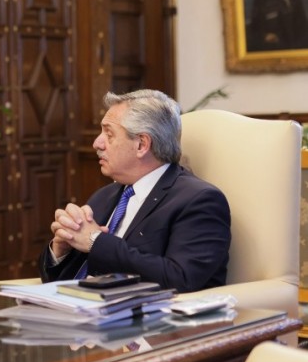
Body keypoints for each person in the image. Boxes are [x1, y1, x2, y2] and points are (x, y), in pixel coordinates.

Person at [39, 90, 231, 293]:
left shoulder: (199, 200)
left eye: (109, 134)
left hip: (145, 320)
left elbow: (180, 278)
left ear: (142, 144)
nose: (97, 143)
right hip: (74, 312)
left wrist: (95, 241)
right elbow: (62, 280)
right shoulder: (104, 196)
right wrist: (61, 249)